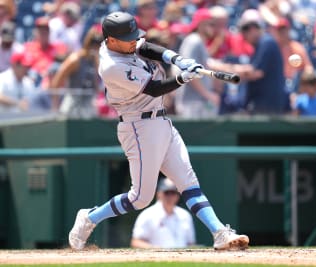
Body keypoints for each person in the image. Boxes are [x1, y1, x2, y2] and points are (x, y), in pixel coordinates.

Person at [68, 11, 249, 251]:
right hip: (138, 127)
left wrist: (176, 59)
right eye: (128, 37)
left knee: (188, 181)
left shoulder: (124, 45)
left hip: (161, 121)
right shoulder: (112, 66)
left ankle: (219, 232)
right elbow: (153, 89)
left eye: (134, 35)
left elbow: (148, 48)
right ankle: (90, 217)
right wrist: (183, 79)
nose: (134, 40)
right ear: (111, 40)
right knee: (140, 198)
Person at [238, 9, 288, 115]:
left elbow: (256, 73)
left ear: (252, 28)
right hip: (262, 105)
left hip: (268, 106)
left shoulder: (267, 42)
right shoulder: (259, 45)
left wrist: (227, 70)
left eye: (244, 32)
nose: (244, 38)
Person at [49, 24, 103, 118]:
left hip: (88, 105)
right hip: (72, 104)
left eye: (99, 43)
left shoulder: (95, 60)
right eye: (93, 42)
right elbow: (57, 81)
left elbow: (95, 84)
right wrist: (55, 106)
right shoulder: (75, 59)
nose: (95, 46)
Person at [131, 177, 196, 248]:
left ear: (178, 195)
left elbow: (190, 243)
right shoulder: (147, 214)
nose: (170, 196)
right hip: (157, 257)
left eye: (173, 193)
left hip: (182, 257)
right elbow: (136, 242)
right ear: (158, 194)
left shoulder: (185, 215)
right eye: (167, 193)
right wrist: (155, 249)